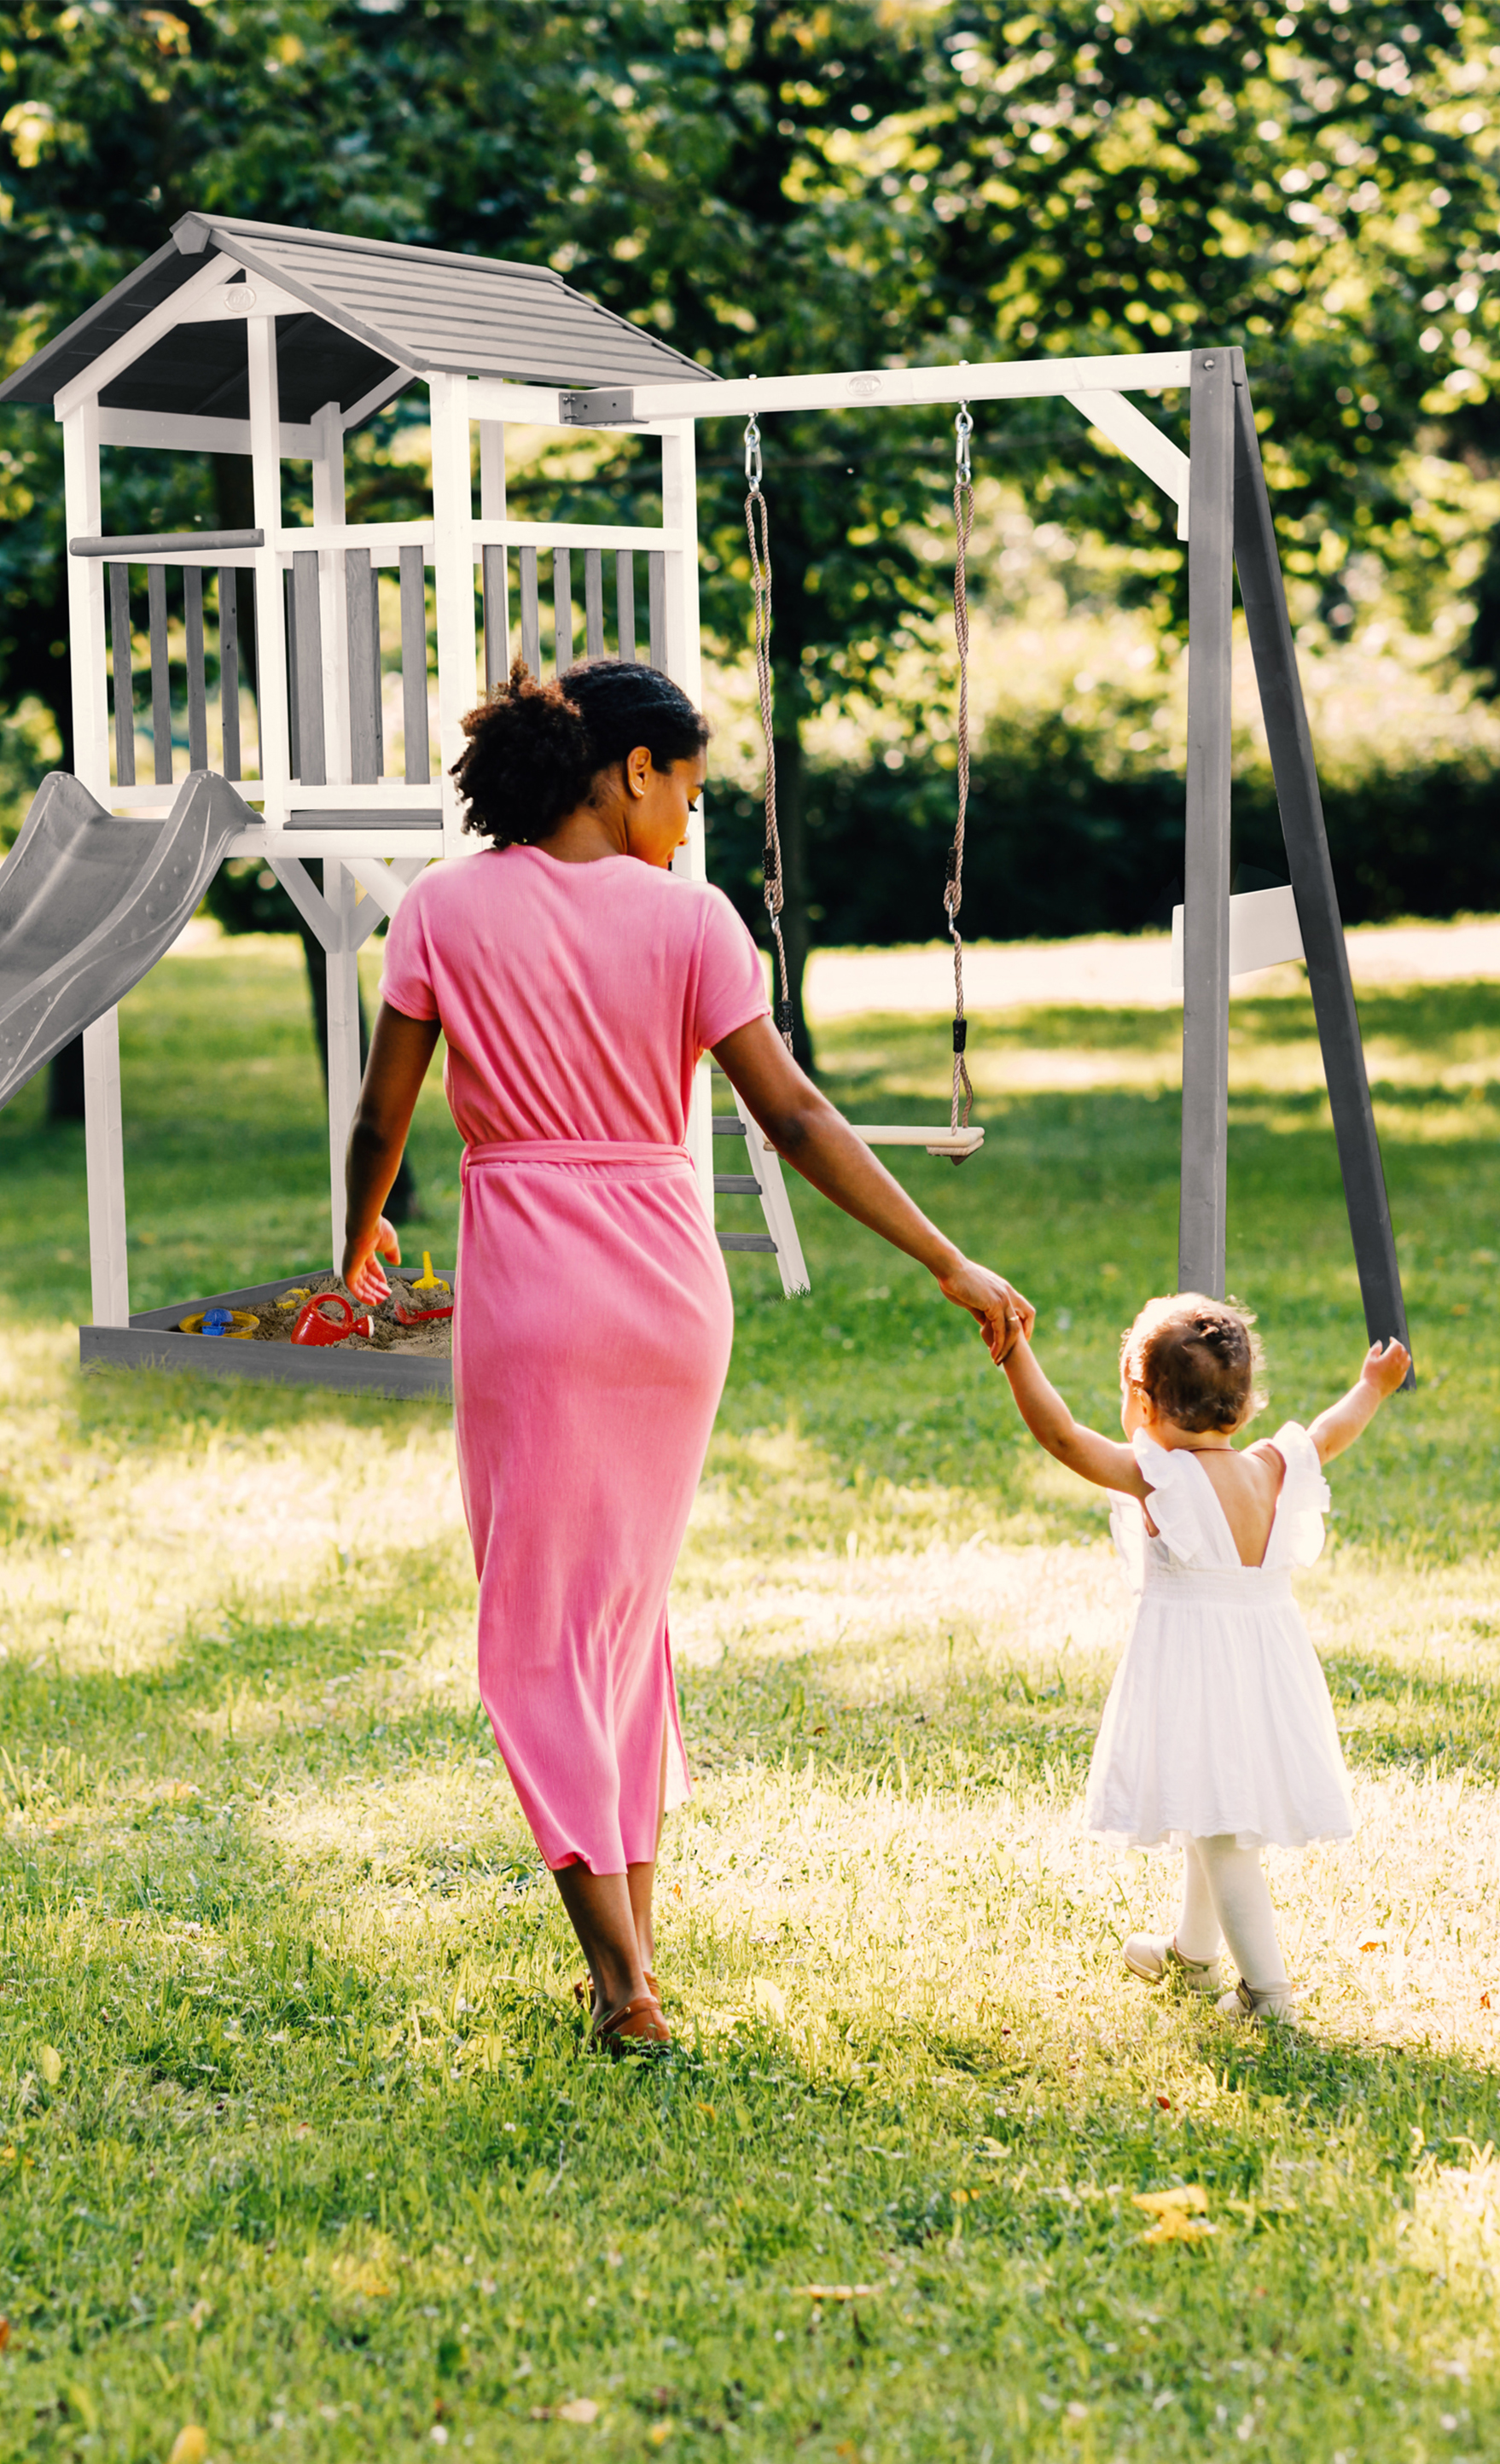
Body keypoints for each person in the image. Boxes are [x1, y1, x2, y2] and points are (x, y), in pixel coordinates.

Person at [339, 659, 1034, 2055]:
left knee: (539, 1635)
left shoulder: (441, 909)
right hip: (668, 1295)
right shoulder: (694, 923)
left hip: (533, 1294)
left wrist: (353, 1245)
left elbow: (383, 1117)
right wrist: (943, 1255)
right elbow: (795, 1117)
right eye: (690, 793)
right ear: (631, 770)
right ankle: (634, 1957)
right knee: (619, 1623)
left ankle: (619, 1984)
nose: (690, 825)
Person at [994, 1294, 1411, 2024]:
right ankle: (1192, 1955)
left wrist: (1013, 1351)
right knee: (1205, 1804)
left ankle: (1267, 1994)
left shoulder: (1162, 1479)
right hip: (1265, 1668)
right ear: (1244, 1407)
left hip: (1198, 1671)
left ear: (1143, 1401)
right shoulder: (1271, 1467)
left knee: (1220, 1833)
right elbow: (1329, 1431)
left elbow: (1061, 1437)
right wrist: (1371, 1387)